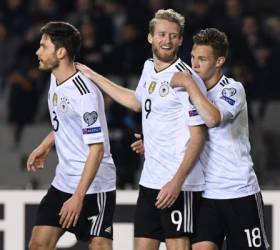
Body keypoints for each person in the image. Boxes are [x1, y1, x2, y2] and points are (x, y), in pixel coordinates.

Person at [76, 9, 219, 250]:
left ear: (181, 40)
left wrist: (176, 182)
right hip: (150, 181)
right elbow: (137, 101)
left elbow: (198, 137)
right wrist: (94, 76)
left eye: (174, 35)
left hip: (179, 184)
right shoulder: (149, 67)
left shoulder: (186, 79)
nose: (167, 40)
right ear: (150, 37)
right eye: (162, 34)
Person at [132, 28, 270, 250]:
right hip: (205, 195)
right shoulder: (187, 94)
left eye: (202, 59)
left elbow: (213, 118)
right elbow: (177, 130)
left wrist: (189, 84)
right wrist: (151, 142)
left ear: (219, 61)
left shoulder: (232, 89)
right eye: (193, 58)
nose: (194, 65)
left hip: (238, 191)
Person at [26, 21, 116, 250]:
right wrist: (45, 145)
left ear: (61, 52)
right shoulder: (55, 78)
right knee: (38, 245)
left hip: (95, 186)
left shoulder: (84, 94)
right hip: (64, 181)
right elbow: (65, 122)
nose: (38, 52)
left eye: (43, 46)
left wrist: (78, 197)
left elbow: (97, 149)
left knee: (99, 246)